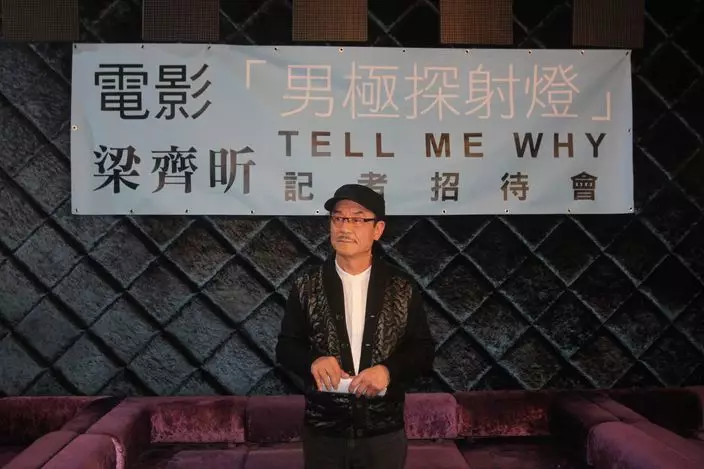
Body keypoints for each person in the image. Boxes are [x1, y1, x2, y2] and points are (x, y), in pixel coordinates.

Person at [276, 183, 435, 469]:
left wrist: (388, 371)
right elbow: (286, 347)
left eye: (357, 219)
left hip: (383, 430)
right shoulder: (306, 285)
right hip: (324, 431)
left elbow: (423, 350)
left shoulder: (401, 286)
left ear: (378, 229)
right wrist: (313, 361)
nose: (345, 227)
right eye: (338, 218)